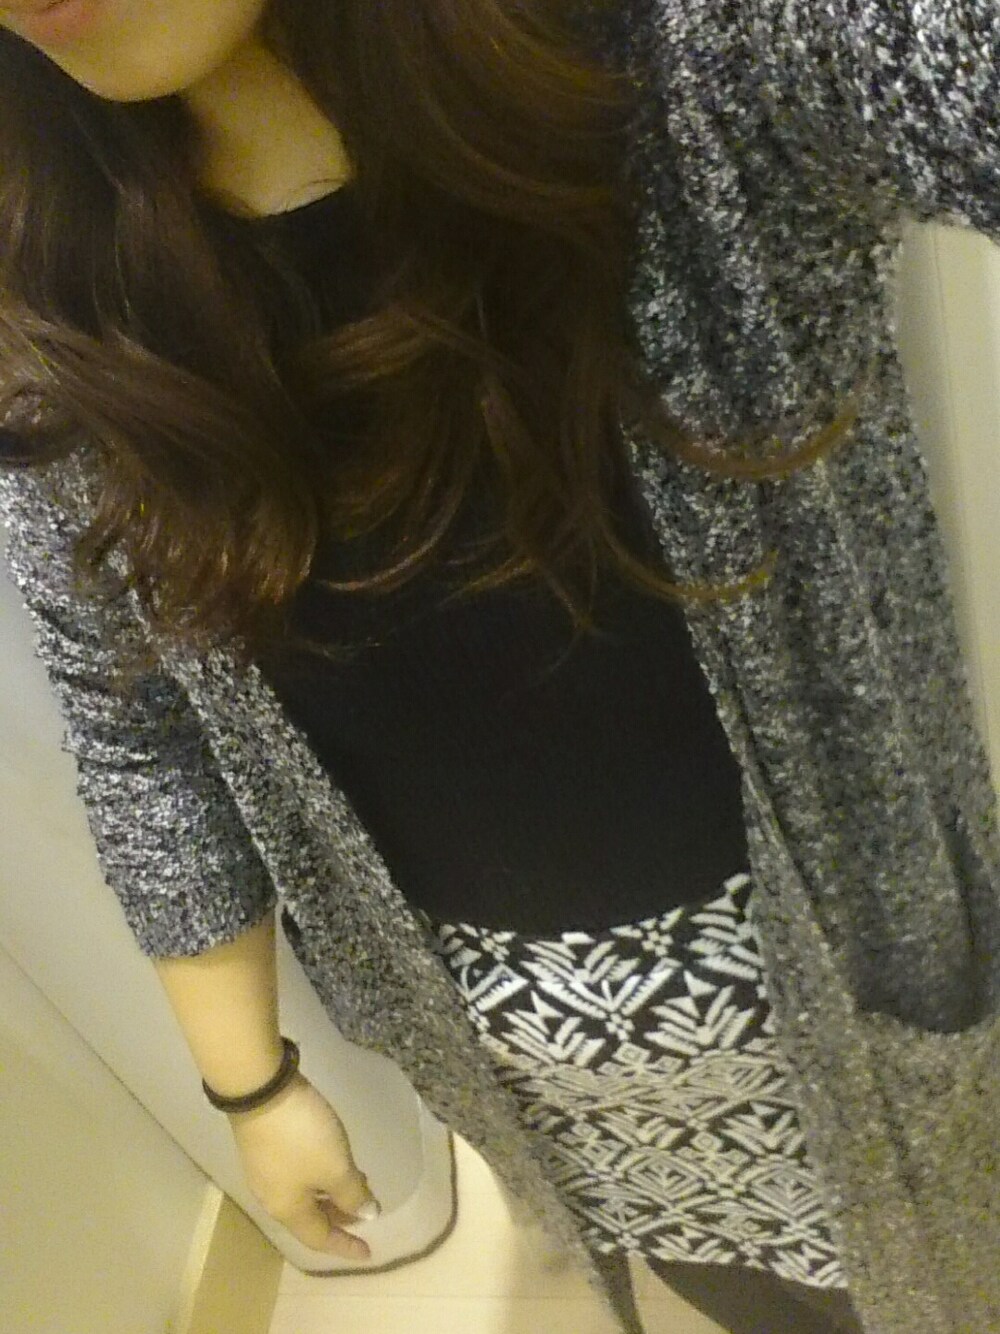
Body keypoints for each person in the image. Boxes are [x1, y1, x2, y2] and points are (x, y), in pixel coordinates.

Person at [2, 1, 1000, 1330]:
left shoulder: (686, 66)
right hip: (533, 1078)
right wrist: (254, 1085)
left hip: (857, 990)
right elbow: (135, 720)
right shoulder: (55, 286)